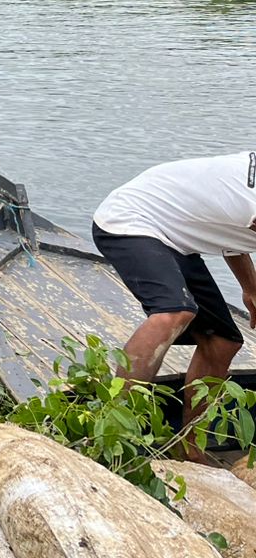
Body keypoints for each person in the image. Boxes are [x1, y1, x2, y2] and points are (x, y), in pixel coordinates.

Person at [91, 153, 256, 458]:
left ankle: (190, 448)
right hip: (130, 220)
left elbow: (233, 231)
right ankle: (111, 435)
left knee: (223, 342)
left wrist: (250, 289)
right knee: (173, 311)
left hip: (175, 235)